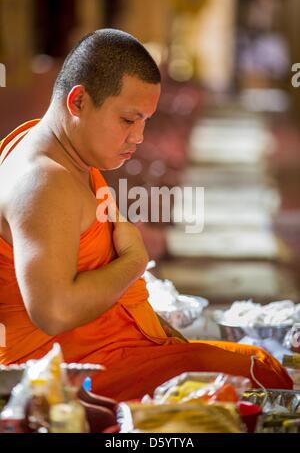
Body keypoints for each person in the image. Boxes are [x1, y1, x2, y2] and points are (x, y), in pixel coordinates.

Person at [0, 29, 292, 401]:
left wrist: (165, 337)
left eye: (145, 122)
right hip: (69, 378)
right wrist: (134, 261)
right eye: (128, 120)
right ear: (78, 102)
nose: (138, 136)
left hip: (112, 351)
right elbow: (54, 312)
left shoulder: (65, 152)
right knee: (261, 371)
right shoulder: (43, 181)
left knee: (251, 369)